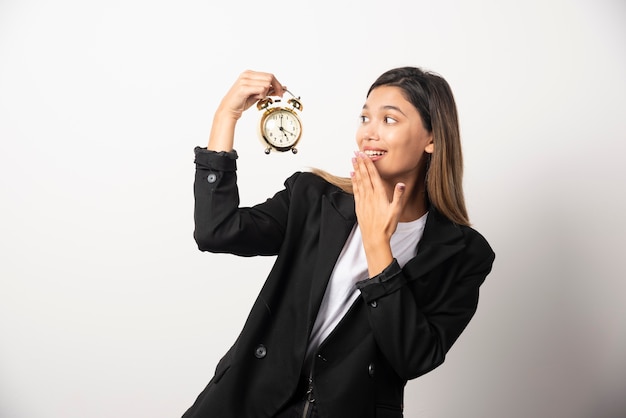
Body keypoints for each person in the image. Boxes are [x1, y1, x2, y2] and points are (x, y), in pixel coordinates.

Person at [182, 67, 495, 418]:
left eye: (389, 120)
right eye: (365, 118)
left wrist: (379, 246)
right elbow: (216, 230)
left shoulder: (463, 254)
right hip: (245, 403)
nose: (369, 133)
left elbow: (413, 357)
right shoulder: (314, 198)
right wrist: (227, 115)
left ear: (432, 139)